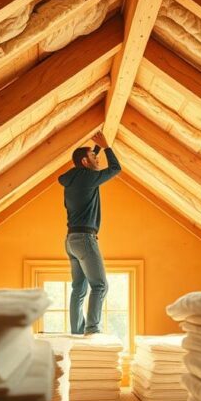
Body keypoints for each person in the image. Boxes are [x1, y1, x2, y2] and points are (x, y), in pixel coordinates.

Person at [57, 131, 121, 335]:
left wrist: (96, 148)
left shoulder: (72, 178)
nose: (98, 159)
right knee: (100, 286)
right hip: (85, 239)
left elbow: (86, 166)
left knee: (79, 288)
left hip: (71, 240)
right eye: (94, 157)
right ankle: (92, 329)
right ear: (85, 161)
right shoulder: (88, 177)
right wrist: (107, 146)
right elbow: (115, 168)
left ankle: (77, 331)